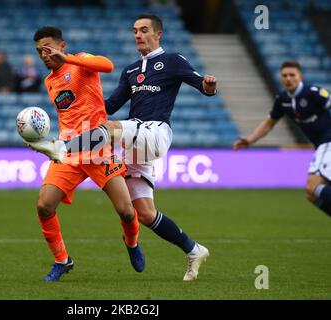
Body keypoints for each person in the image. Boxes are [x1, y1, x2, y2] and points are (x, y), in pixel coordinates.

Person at [26, 14, 216, 281]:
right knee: (142, 213)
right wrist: (86, 101)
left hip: (154, 131)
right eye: (135, 30)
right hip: (133, 143)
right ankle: (194, 250)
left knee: (110, 128)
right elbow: (109, 105)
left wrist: (208, 87)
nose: (138, 34)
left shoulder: (172, 61)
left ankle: (61, 147)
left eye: (144, 30)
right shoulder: (130, 71)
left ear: (158, 34)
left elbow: (201, 84)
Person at [29, 26, 145, 282]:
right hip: (68, 152)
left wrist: (68, 59)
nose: (44, 55)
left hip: (97, 149)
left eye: (47, 49)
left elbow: (108, 65)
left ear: (61, 46)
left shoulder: (82, 62)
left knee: (126, 211)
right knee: (44, 206)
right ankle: (62, 260)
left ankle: (132, 243)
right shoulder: (49, 81)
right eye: (39, 51)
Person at [234, 61, 331, 217]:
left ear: (300, 77)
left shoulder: (313, 92)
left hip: (328, 143)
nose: (288, 78)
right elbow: (269, 123)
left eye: (292, 75)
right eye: (284, 75)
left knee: (312, 187)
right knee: (312, 196)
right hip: (321, 146)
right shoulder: (282, 99)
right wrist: (249, 140)